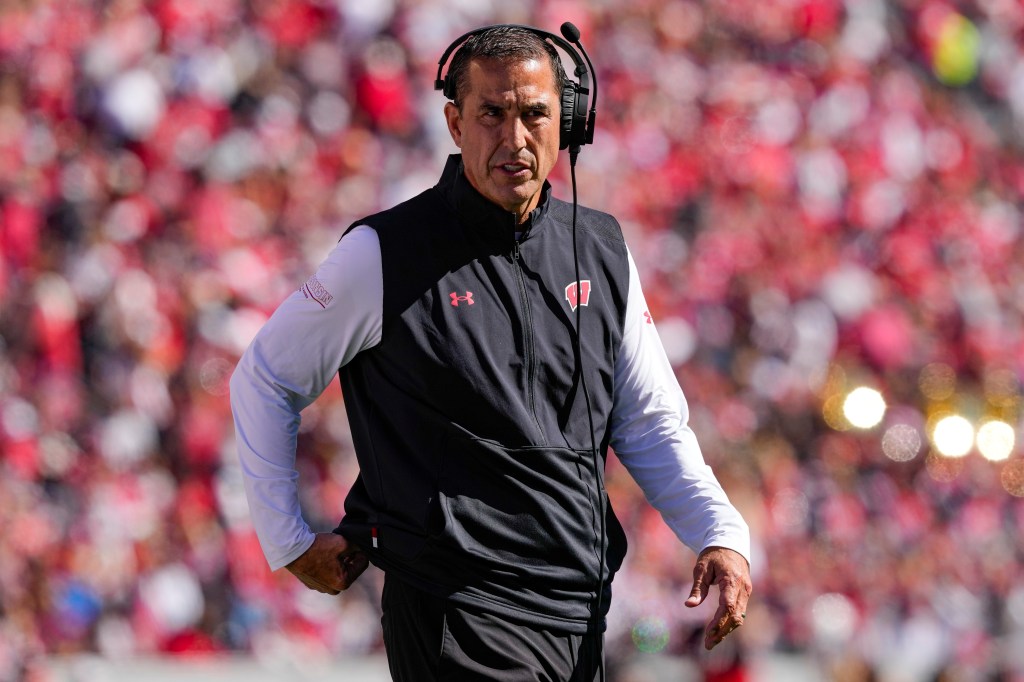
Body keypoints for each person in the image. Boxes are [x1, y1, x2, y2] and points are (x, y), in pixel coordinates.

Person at [230, 24, 752, 681]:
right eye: (492, 114)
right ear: (454, 123)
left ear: (567, 122)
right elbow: (266, 377)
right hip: (454, 608)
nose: (515, 138)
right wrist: (288, 541)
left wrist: (719, 533)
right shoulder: (383, 253)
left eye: (534, 114)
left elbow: (647, 419)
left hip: (578, 607)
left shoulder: (601, 247)